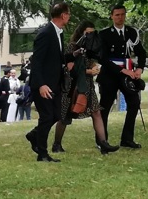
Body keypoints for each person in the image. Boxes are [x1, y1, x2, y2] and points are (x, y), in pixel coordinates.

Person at [50, 20, 119, 155]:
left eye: (92, 33)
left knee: (96, 112)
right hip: (73, 87)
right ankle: (56, 143)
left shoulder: (91, 47)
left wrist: (94, 67)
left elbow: (92, 61)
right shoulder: (73, 46)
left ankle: (103, 143)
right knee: (65, 116)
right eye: (88, 33)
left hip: (88, 85)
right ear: (81, 33)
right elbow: (70, 68)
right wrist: (88, 71)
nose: (90, 36)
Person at [95, 5, 145, 149]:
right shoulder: (104, 34)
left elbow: (141, 52)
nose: (120, 17)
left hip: (128, 75)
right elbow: (102, 58)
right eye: (117, 15)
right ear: (111, 16)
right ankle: (102, 140)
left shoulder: (132, 32)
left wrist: (139, 68)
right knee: (105, 107)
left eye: (122, 14)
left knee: (134, 103)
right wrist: (122, 70)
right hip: (110, 75)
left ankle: (127, 139)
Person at [25, 2, 70, 162]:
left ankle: (34, 135)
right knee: (47, 116)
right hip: (43, 84)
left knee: (56, 114)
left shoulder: (59, 33)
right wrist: (41, 85)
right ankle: (42, 153)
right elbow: (37, 61)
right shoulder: (46, 33)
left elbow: (56, 57)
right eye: (68, 14)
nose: (69, 17)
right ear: (63, 15)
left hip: (54, 83)